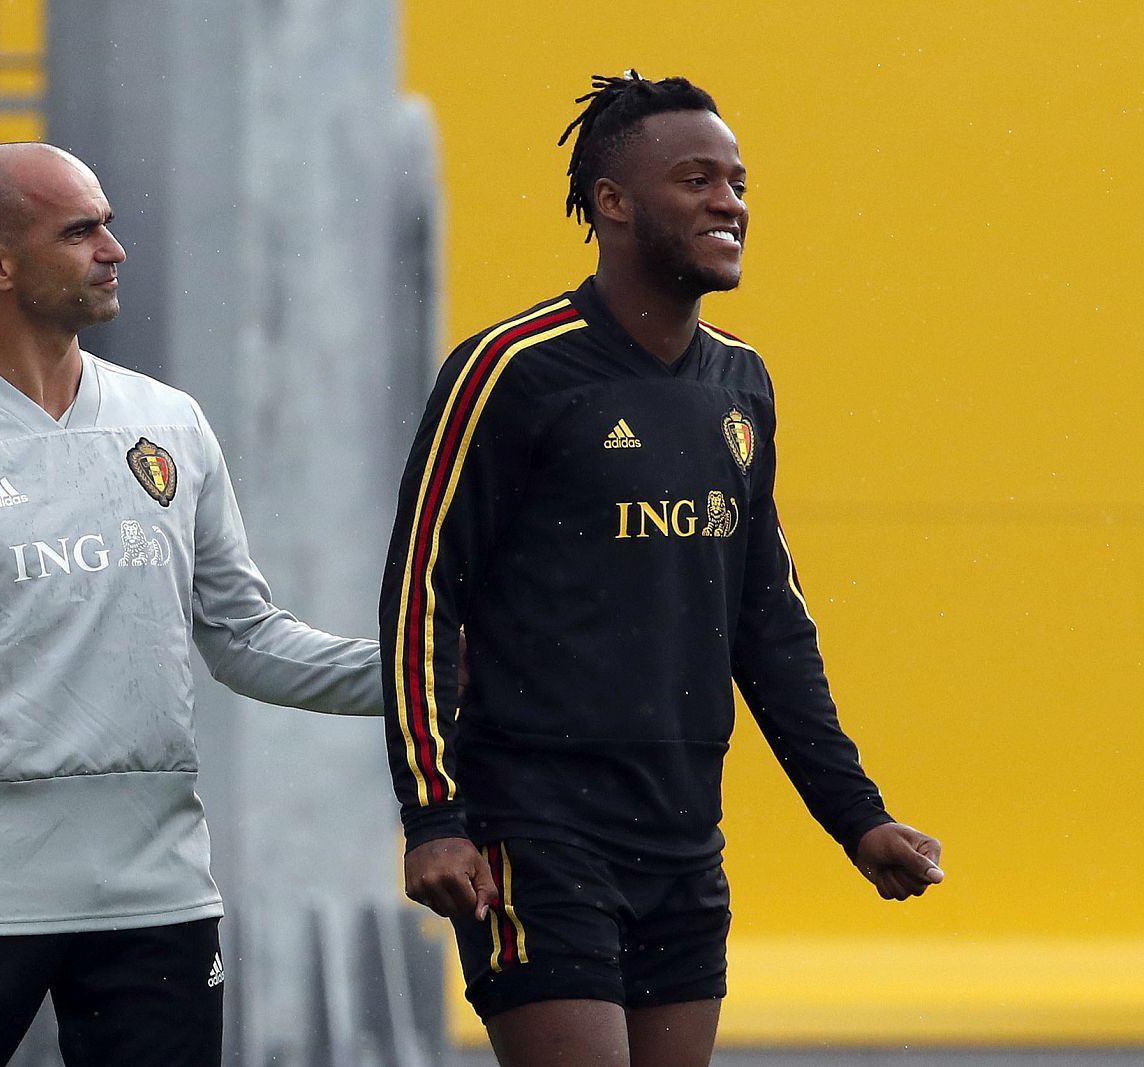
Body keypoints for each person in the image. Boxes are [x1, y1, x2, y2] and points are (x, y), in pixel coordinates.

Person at [379, 73, 945, 1067]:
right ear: (612, 203)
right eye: (696, 178)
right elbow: (422, 591)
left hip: (685, 837)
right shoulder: (510, 369)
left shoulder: (741, 381)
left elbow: (767, 624)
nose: (729, 200)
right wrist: (432, 814)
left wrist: (857, 817)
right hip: (536, 831)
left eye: (735, 180)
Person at [0, 142, 381, 1067]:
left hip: (158, 897)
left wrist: (426, 675)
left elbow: (243, 637)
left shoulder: (170, 424)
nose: (114, 248)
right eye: (80, 231)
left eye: (105, 222)